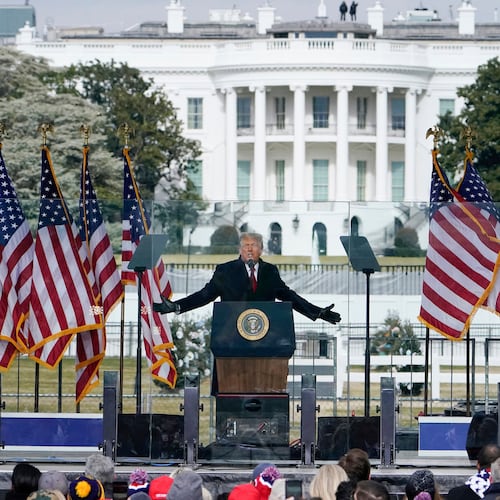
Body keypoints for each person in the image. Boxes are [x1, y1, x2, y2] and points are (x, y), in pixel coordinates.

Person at [154, 232, 341, 324]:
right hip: (232, 336)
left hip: (265, 337)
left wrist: (317, 313)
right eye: (245, 246)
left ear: (261, 249)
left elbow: (289, 297)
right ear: (239, 250)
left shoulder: (270, 271)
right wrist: (177, 306)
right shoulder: (225, 271)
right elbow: (205, 295)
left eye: (254, 245)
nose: (250, 249)